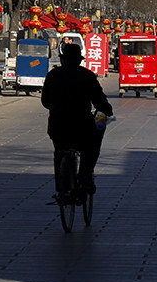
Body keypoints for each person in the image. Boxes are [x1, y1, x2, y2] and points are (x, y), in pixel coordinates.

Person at [41, 43, 114, 198]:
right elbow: (98, 99)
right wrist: (107, 110)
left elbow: (45, 101)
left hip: (57, 125)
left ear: (62, 60)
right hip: (81, 125)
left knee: (59, 151)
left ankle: (61, 188)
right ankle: (85, 177)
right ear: (79, 60)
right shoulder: (87, 75)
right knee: (90, 148)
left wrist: (57, 108)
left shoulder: (52, 75)